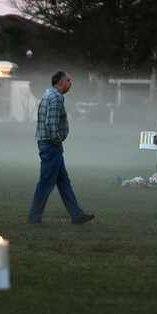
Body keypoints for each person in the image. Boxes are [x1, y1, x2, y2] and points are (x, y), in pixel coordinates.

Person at [28, 71, 95, 225]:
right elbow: (50, 124)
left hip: (49, 144)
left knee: (64, 182)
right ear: (60, 82)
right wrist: (58, 141)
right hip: (51, 145)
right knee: (46, 182)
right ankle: (34, 217)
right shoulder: (56, 97)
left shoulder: (49, 94)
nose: (70, 83)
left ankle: (76, 215)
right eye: (68, 80)